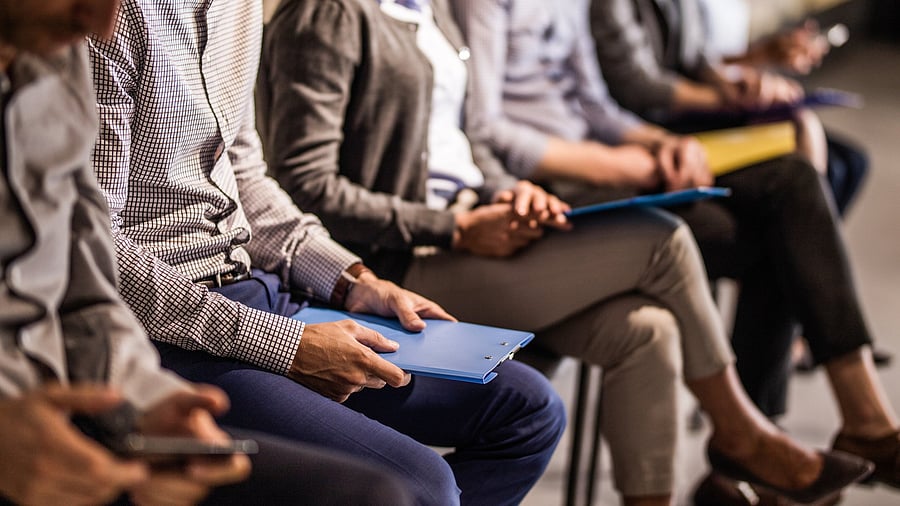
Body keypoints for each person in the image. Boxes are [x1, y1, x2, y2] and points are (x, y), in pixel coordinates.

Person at [256, 0, 874, 504]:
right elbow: (304, 182)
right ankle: (740, 431)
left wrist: (511, 191)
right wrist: (454, 226)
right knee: (664, 240)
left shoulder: (431, 10)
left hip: (476, 221)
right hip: (405, 257)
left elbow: (467, 141)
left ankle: (717, 457)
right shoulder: (331, 14)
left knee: (647, 331)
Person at [86, 0, 567, 504]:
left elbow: (246, 176)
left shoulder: (239, 6)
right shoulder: (110, 17)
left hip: (256, 289)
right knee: (423, 487)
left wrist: (353, 279)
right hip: (167, 328)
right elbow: (97, 253)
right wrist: (284, 344)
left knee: (529, 410)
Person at [450, 0, 900, 497]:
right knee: (779, 233)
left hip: (602, 154)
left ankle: (836, 423)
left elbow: (596, 104)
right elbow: (487, 127)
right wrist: (625, 165)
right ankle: (762, 447)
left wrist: (660, 143)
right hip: (551, 183)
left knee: (793, 185)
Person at [0, 1, 415, 505]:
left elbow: (84, 286)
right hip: (166, 321)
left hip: (208, 312)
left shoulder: (52, 62)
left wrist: (149, 402)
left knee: (517, 408)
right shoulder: (83, 40)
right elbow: (109, 254)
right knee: (392, 491)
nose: (103, 22)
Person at [589, 0, 869, 216]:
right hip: (657, 117)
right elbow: (637, 85)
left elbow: (696, 54)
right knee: (802, 172)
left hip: (692, 104)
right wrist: (729, 97)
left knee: (851, 161)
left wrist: (730, 84)